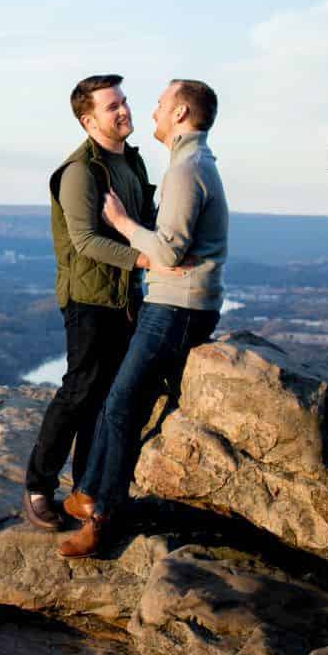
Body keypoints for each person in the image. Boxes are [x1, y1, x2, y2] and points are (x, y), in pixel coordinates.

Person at [60, 79, 229, 558]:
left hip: (177, 306)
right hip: (178, 303)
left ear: (179, 114)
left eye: (159, 103)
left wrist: (124, 226)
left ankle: (100, 520)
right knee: (122, 400)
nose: (149, 110)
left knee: (120, 406)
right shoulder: (194, 162)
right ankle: (87, 492)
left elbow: (170, 252)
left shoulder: (186, 169)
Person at [23, 73, 157, 530]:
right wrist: (144, 260)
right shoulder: (81, 171)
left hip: (125, 299)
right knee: (80, 390)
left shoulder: (131, 163)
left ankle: (84, 490)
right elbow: (85, 240)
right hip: (89, 298)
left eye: (124, 101)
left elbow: (144, 221)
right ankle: (39, 486)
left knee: (104, 398)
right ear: (88, 119)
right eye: (111, 106)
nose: (124, 111)